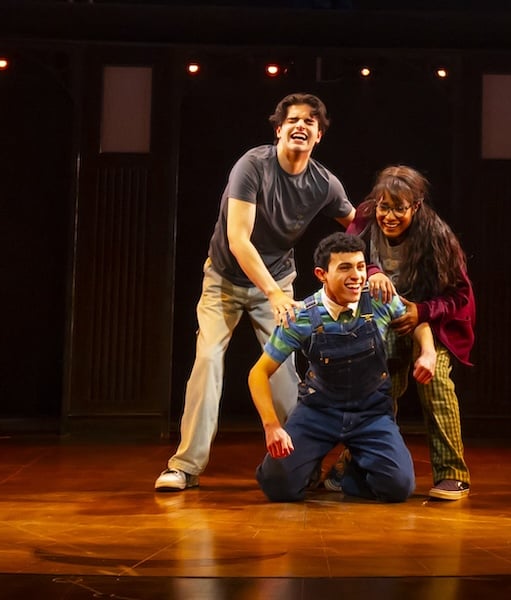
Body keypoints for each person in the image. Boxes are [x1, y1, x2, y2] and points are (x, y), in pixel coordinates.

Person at [155, 93, 355, 492]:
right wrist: (275, 294)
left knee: (284, 374)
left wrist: (372, 270)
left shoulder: (324, 183)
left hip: (277, 280)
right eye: (293, 120)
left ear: (318, 135)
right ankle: (185, 466)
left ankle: (303, 464)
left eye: (310, 122)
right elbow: (238, 239)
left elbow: (356, 224)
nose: (301, 126)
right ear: (278, 129)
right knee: (208, 361)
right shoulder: (253, 165)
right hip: (225, 280)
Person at [250, 232, 437, 502]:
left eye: (360, 267)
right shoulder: (302, 316)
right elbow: (258, 373)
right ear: (322, 274)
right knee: (278, 487)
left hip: (370, 412)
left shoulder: (379, 299)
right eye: (345, 268)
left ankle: (350, 471)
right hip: (319, 411)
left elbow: (418, 322)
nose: (356, 276)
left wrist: (428, 353)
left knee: (397, 488)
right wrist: (272, 426)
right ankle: (308, 464)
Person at [347, 165, 475, 501]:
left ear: (415, 207)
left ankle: (452, 473)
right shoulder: (365, 221)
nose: (389, 216)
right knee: (378, 388)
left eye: (398, 209)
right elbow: (344, 254)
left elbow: (460, 296)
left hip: (428, 323)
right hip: (382, 323)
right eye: (384, 207)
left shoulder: (436, 236)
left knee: (435, 382)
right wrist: (372, 270)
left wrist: (423, 310)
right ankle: (357, 468)